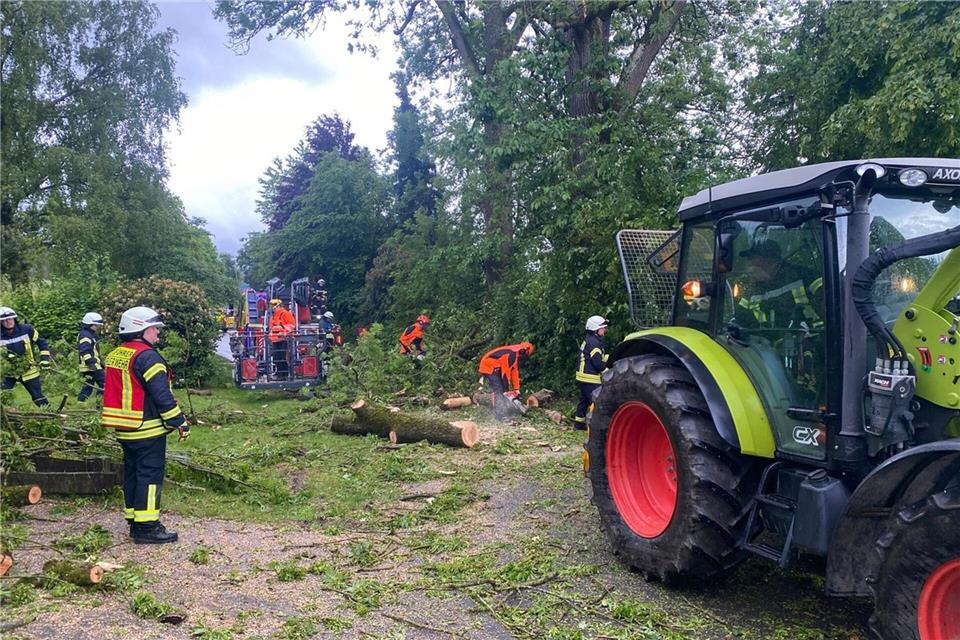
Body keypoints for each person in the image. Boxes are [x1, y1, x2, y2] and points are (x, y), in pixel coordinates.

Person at [101, 306, 188, 544]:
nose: (157, 335)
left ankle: (134, 520)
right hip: (147, 429)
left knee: (132, 474)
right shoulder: (148, 357)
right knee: (149, 477)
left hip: (123, 428)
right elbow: (161, 396)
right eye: (154, 329)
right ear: (141, 329)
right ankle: (147, 527)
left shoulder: (117, 354)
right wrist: (179, 421)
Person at [0, 307, 51, 407]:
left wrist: (44, 359)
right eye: (4, 320)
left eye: (10, 319)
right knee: (3, 396)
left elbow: (42, 343)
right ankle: (5, 418)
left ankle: (52, 414)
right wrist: (5, 357)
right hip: (8, 372)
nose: (8, 322)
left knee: (38, 396)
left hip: (29, 370)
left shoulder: (27, 329)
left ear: (15, 319)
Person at [477, 342, 534, 420]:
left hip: (495, 367)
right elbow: (505, 374)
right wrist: (506, 390)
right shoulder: (512, 354)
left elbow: (514, 373)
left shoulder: (515, 355)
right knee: (499, 389)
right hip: (489, 366)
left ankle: (503, 409)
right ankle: (500, 414)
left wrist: (516, 389)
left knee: (501, 389)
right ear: (524, 351)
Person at [574, 315, 609, 430]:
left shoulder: (589, 340)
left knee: (583, 401)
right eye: (603, 328)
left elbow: (595, 357)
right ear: (596, 329)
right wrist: (607, 372)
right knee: (597, 402)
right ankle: (596, 427)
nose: (605, 330)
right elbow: (597, 363)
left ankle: (578, 424)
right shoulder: (595, 343)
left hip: (582, 377)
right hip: (590, 378)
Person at [77, 312, 105, 402]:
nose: (98, 327)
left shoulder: (89, 334)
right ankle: (99, 403)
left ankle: (80, 402)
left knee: (88, 386)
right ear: (89, 324)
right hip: (90, 365)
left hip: (89, 365)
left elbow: (94, 352)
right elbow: (85, 350)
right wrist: (91, 363)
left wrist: (101, 363)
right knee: (105, 384)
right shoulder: (85, 335)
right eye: (96, 325)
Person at [268, 299, 296, 376]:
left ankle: (284, 374)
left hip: (284, 339)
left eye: (274, 307)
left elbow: (291, 325)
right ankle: (279, 373)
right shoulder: (273, 317)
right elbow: (271, 328)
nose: (273, 309)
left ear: (279, 306)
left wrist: (284, 332)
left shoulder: (286, 314)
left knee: (283, 357)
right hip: (275, 340)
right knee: (276, 358)